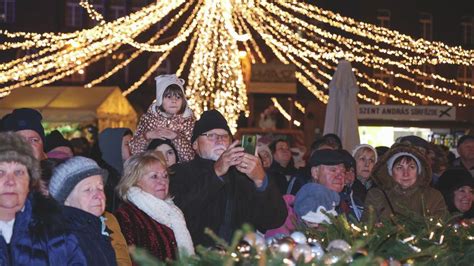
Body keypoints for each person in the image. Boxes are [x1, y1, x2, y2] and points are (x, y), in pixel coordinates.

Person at [169, 109, 287, 246]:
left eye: (224, 136)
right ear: (195, 144)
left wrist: (261, 180)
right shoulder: (179, 172)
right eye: (211, 135)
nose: (219, 140)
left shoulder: (244, 174)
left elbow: (275, 220)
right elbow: (178, 213)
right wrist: (216, 172)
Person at [0, 132, 87, 264]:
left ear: (31, 180)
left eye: (19, 172)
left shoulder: (57, 231)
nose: (10, 181)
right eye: (1, 172)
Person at [115, 151, 194, 260]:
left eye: (165, 176)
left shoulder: (174, 212)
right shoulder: (126, 215)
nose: (163, 182)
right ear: (136, 180)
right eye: (154, 176)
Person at [49, 156, 126, 266]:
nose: (98, 195)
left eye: (100, 188)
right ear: (66, 199)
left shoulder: (97, 230)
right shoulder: (62, 240)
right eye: (87, 190)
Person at [362, 146, 448, 222]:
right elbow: (367, 227)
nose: (406, 173)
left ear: (419, 171)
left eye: (411, 167)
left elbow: (442, 230)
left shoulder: (434, 197)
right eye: (399, 168)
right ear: (390, 172)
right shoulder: (376, 195)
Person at [130, 74, 195, 162]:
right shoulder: (149, 119)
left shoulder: (188, 121)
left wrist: (176, 137)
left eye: (178, 97)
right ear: (160, 99)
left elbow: (191, 157)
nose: (174, 101)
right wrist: (147, 135)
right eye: (169, 97)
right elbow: (134, 151)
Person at [95, 127, 133, 212]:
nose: (132, 148)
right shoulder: (104, 176)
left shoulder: (128, 170)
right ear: (114, 146)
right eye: (127, 144)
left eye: (132, 143)